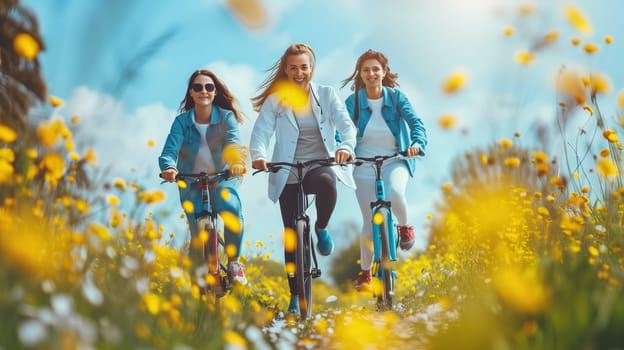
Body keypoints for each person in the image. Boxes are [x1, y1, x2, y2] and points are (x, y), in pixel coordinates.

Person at [250, 43, 357, 313]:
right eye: (294, 68)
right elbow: (261, 132)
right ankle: (296, 297)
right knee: (291, 235)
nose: (299, 73)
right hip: (286, 168)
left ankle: (321, 228)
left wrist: (345, 147)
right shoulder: (276, 101)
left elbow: (346, 126)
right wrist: (259, 155)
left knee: (327, 183)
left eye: (304, 67)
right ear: (286, 70)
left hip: (318, 164)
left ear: (312, 68)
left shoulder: (326, 94)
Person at [341, 49, 427, 292]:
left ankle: (404, 226)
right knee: (369, 220)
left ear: (384, 72)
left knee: (395, 194)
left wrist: (416, 143)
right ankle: (366, 272)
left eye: (375, 69)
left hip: (395, 159)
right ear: (361, 74)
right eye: (366, 70)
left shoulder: (396, 97)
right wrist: (342, 149)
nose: (371, 73)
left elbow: (416, 123)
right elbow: (342, 129)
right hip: (362, 164)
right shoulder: (354, 102)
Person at [159, 69, 248, 286]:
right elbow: (170, 150)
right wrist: (169, 167)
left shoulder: (226, 117)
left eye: (208, 87)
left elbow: (233, 143)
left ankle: (234, 262)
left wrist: (236, 162)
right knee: (197, 237)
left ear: (215, 92)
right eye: (198, 87)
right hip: (192, 181)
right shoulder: (181, 122)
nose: (203, 91)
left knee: (229, 205)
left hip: (224, 176)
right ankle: (194, 288)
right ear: (191, 92)